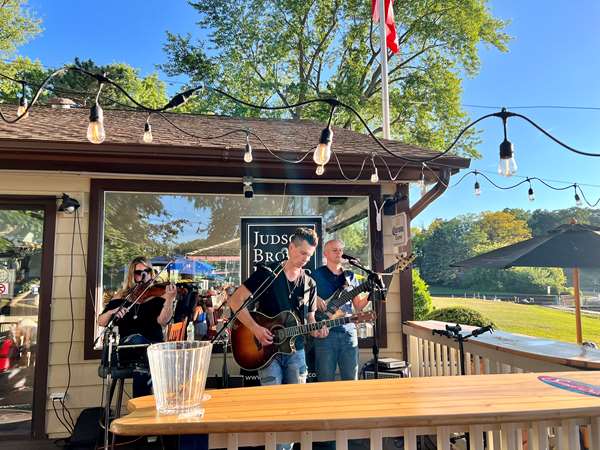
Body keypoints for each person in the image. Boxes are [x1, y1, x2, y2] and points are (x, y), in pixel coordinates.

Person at [228, 227, 328, 387]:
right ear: (291, 248)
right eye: (303, 253)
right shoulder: (267, 273)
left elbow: (310, 319)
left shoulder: (310, 283)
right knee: (271, 401)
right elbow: (235, 301)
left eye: (309, 255)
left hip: (297, 350)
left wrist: (317, 330)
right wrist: (255, 329)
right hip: (267, 350)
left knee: (297, 402)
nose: (306, 259)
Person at [98, 256, 176, 397]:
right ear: (132, 276)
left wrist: (169, 300)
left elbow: (163, 321)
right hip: (130, 348)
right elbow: (101, 321)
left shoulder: (159, 295)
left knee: (143, 366)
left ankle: (140, 407)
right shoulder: (122, 297)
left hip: (153, 347)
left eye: (147, 271)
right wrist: (112, 311)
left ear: (152, 273)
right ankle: (161, 385)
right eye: (139, 273)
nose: (144, 275)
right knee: (139, 341)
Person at [312, 239, 369, 382]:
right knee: (324, 380)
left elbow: (359, 305)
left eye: (340, 250)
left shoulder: (350, 276)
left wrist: (371, 294)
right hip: (325, 333)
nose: (339, 253)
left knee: (351, 380)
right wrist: (315, 298)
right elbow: (304, 300)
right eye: (334, 250)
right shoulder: (316, 275)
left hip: (348, 333)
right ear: (325, 254)